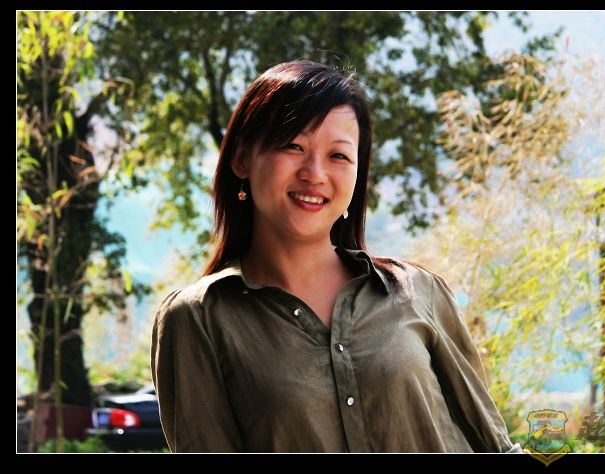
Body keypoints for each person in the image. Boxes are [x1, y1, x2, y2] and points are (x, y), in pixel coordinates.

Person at [151, 59, 522, 453]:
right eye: (293, 146)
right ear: (242, 158)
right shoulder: (198, 319)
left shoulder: (417, 292)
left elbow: (495, 447)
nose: (315, 173)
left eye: (339, 156)